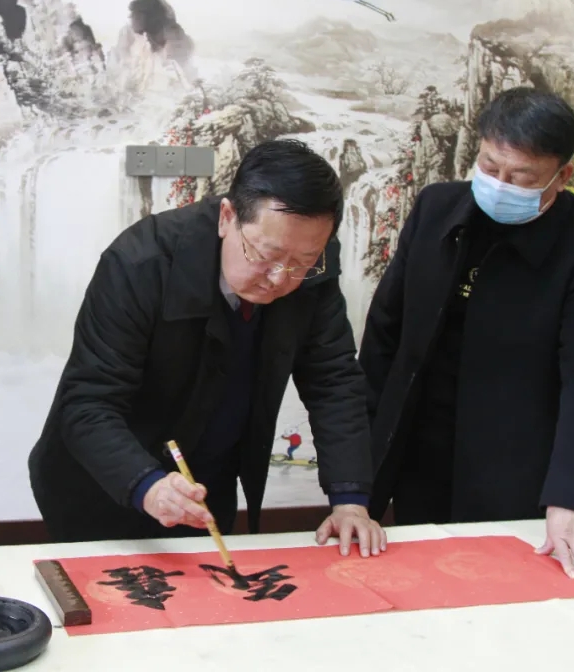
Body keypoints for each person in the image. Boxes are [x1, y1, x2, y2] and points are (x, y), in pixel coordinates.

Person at [29, 139, 386, 557]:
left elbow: (334, 380)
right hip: (106, 483)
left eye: (302, 262)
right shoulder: (140, 263)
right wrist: (147, 485)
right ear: (227, 217)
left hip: (206, 482)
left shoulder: (312, 265)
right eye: (265, 255)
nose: (279, 278)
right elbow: (88, 402)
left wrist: (350, 500)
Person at [359, 87, 574, 583]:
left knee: (501, 589)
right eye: (489, 165)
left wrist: (573, 497)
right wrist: (356, 474)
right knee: (419, 581)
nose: (500, 184)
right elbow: (384, 337)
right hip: (419, 448)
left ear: (562, 175)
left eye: (521, 177)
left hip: (513, 460)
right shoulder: (436, 208)